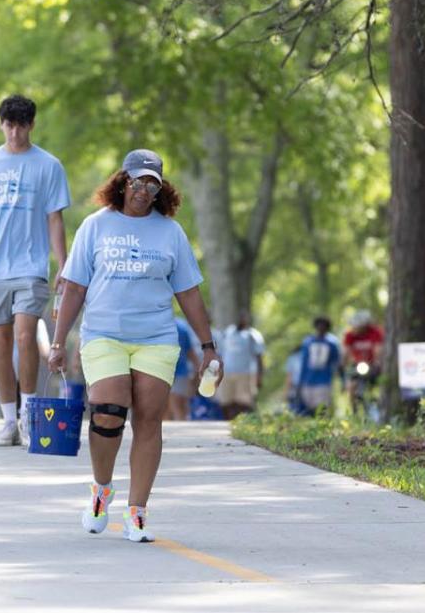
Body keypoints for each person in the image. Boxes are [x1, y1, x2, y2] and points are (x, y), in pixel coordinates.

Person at [49, 148, 221, 543]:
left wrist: (208, 346)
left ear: (161, 190)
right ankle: (100, 489)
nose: (143, 190)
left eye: (152, 184)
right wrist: (58, 341)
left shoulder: (170, 232)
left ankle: (137, 512)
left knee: (148, 417)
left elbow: (189, 294)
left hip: (156, 338)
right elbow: (74, 287)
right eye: (137, 181)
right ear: (123, 181)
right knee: (108, 411)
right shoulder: (95, 226)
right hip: (104, 334)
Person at [0, 95, 70, 448]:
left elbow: (55, 219)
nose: (16, 132)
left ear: (31, 125)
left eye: (22, 125)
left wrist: (63, 266)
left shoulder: (48, 166)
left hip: (31, 266)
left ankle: (30, 413)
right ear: (1, 124)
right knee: (1, 343)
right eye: (10, 124)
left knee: (25, 336)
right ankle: (8, 421)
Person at [217, 311, 265, 419]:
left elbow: (259, 357)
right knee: (226, 401)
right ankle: (228, 422)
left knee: (243, 402)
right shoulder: (227, 333)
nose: (242, 320)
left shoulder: (253, 335)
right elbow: (220, 353)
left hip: (245, 373)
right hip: (227, 373)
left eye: (244, 318)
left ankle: (241, 422)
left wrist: (259, 376)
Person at [294, 316, 341, 415]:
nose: (321, 328)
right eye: (319, 325)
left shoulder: (332, 343)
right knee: (308, 408)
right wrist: (300, 382)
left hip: (324, 380)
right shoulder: (308, 342)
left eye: (324, 326)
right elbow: (304, 362)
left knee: (321, 408)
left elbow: (336, 362)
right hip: (308, 380)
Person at [342, 309, 384, 415]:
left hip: (372, 364)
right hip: (356, 364)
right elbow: (346, 351)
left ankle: (377, 406)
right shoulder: (350, 335)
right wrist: (343, 363)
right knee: (351, 385)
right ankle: (354, 410)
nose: (356, 328)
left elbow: (378, 349)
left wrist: (377, 361)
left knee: (377, 385)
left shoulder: (375, 332)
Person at [167, 317, 200, 421]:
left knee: (175, 405)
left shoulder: (181, 326)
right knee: (172, 406)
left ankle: (175, 432)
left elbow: (189, 350)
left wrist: (197, 369)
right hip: (172, 372)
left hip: (177, 372)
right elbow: (191, 351)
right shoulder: (182, 326)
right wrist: (197, 367)